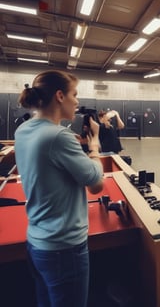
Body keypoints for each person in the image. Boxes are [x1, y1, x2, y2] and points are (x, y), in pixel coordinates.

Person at [14, 70, 104, 307]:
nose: (77, 101)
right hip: (64, 249)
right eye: (74, 94)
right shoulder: (58, 137)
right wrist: (94, 146)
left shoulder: (23, 131)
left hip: (36, 243)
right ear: (59, 96)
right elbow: (96, 184)